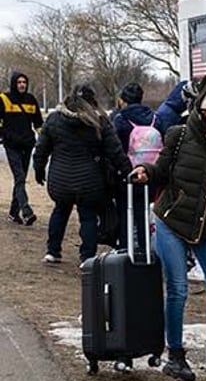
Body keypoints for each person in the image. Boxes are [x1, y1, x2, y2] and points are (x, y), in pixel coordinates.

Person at [130, 69, 206, 381]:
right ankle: (176, 354)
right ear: (204, 107)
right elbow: (162, 170)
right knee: (178, 289)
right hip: (171, 220)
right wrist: (145, 172)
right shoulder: (178, 135)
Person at [32, 84, 132, 265]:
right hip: (89, 181)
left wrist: (38, 170)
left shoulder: (54, 119)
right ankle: (87, 257)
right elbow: (115, 151)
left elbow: (41, 149)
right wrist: (128, 172)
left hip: (60, 179)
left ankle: (52, 251)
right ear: (92, 100)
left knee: (60, 211)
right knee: (88, 217)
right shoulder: (99, 121)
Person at [110, 82, 164, 254]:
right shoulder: (155, 118)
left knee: (125, 212)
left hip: (128, 173)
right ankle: (145, 248)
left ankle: (126, 250)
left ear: (122, 101)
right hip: (150, 173)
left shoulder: (120, 120)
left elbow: (115, 148)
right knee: (144, 212)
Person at [0, 72, 43, 226]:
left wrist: (45, 140)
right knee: (19, 177)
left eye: (24, 82)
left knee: (21, 179)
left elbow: (38, 124)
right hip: (11, 145)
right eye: (19, 82)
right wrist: (6, 135)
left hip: (27, 144)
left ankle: (13, 212)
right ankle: (26, 210)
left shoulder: (31, 100)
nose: (22, 84)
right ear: (14, 83)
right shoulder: (3, 99)